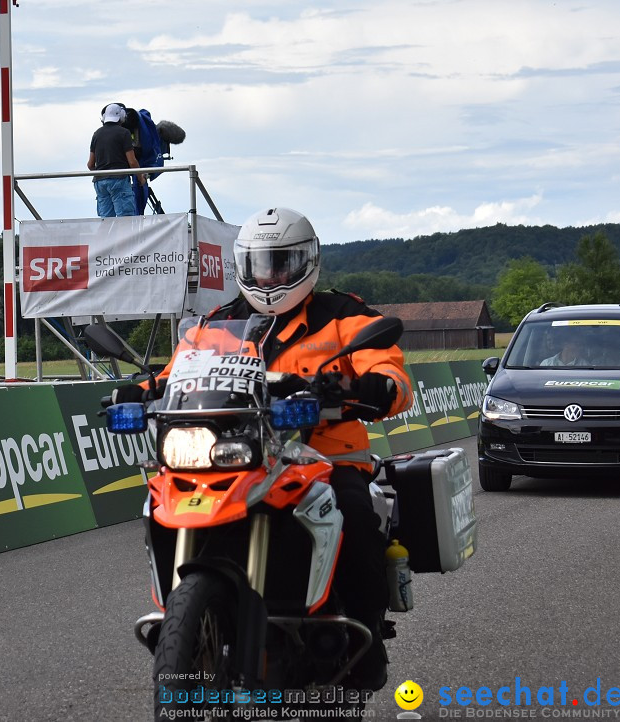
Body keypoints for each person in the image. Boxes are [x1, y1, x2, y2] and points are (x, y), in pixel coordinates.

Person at [113, 207, 413, 691]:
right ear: (243, 267)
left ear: (307, 263)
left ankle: (366, 643)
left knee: (356, 519)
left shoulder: (344, 316)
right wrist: (142, 388)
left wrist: (365, 387)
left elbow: (393, 376)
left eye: (281, 263)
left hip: (325, 458)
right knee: (160, 505)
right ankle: (187, 620)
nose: (270, 276)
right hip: (236, 454)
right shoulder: (214, 324)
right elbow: (175, 377)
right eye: (260, 264)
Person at [88, 103, 145, 217]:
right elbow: (132, 162)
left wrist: (101, 172)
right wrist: (141, 178)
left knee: (106, 221)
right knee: (125, 220)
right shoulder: (124, 133)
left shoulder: (96, 134)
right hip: (119, 180)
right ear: (122, 116)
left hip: (100, 182)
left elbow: (90, 165)